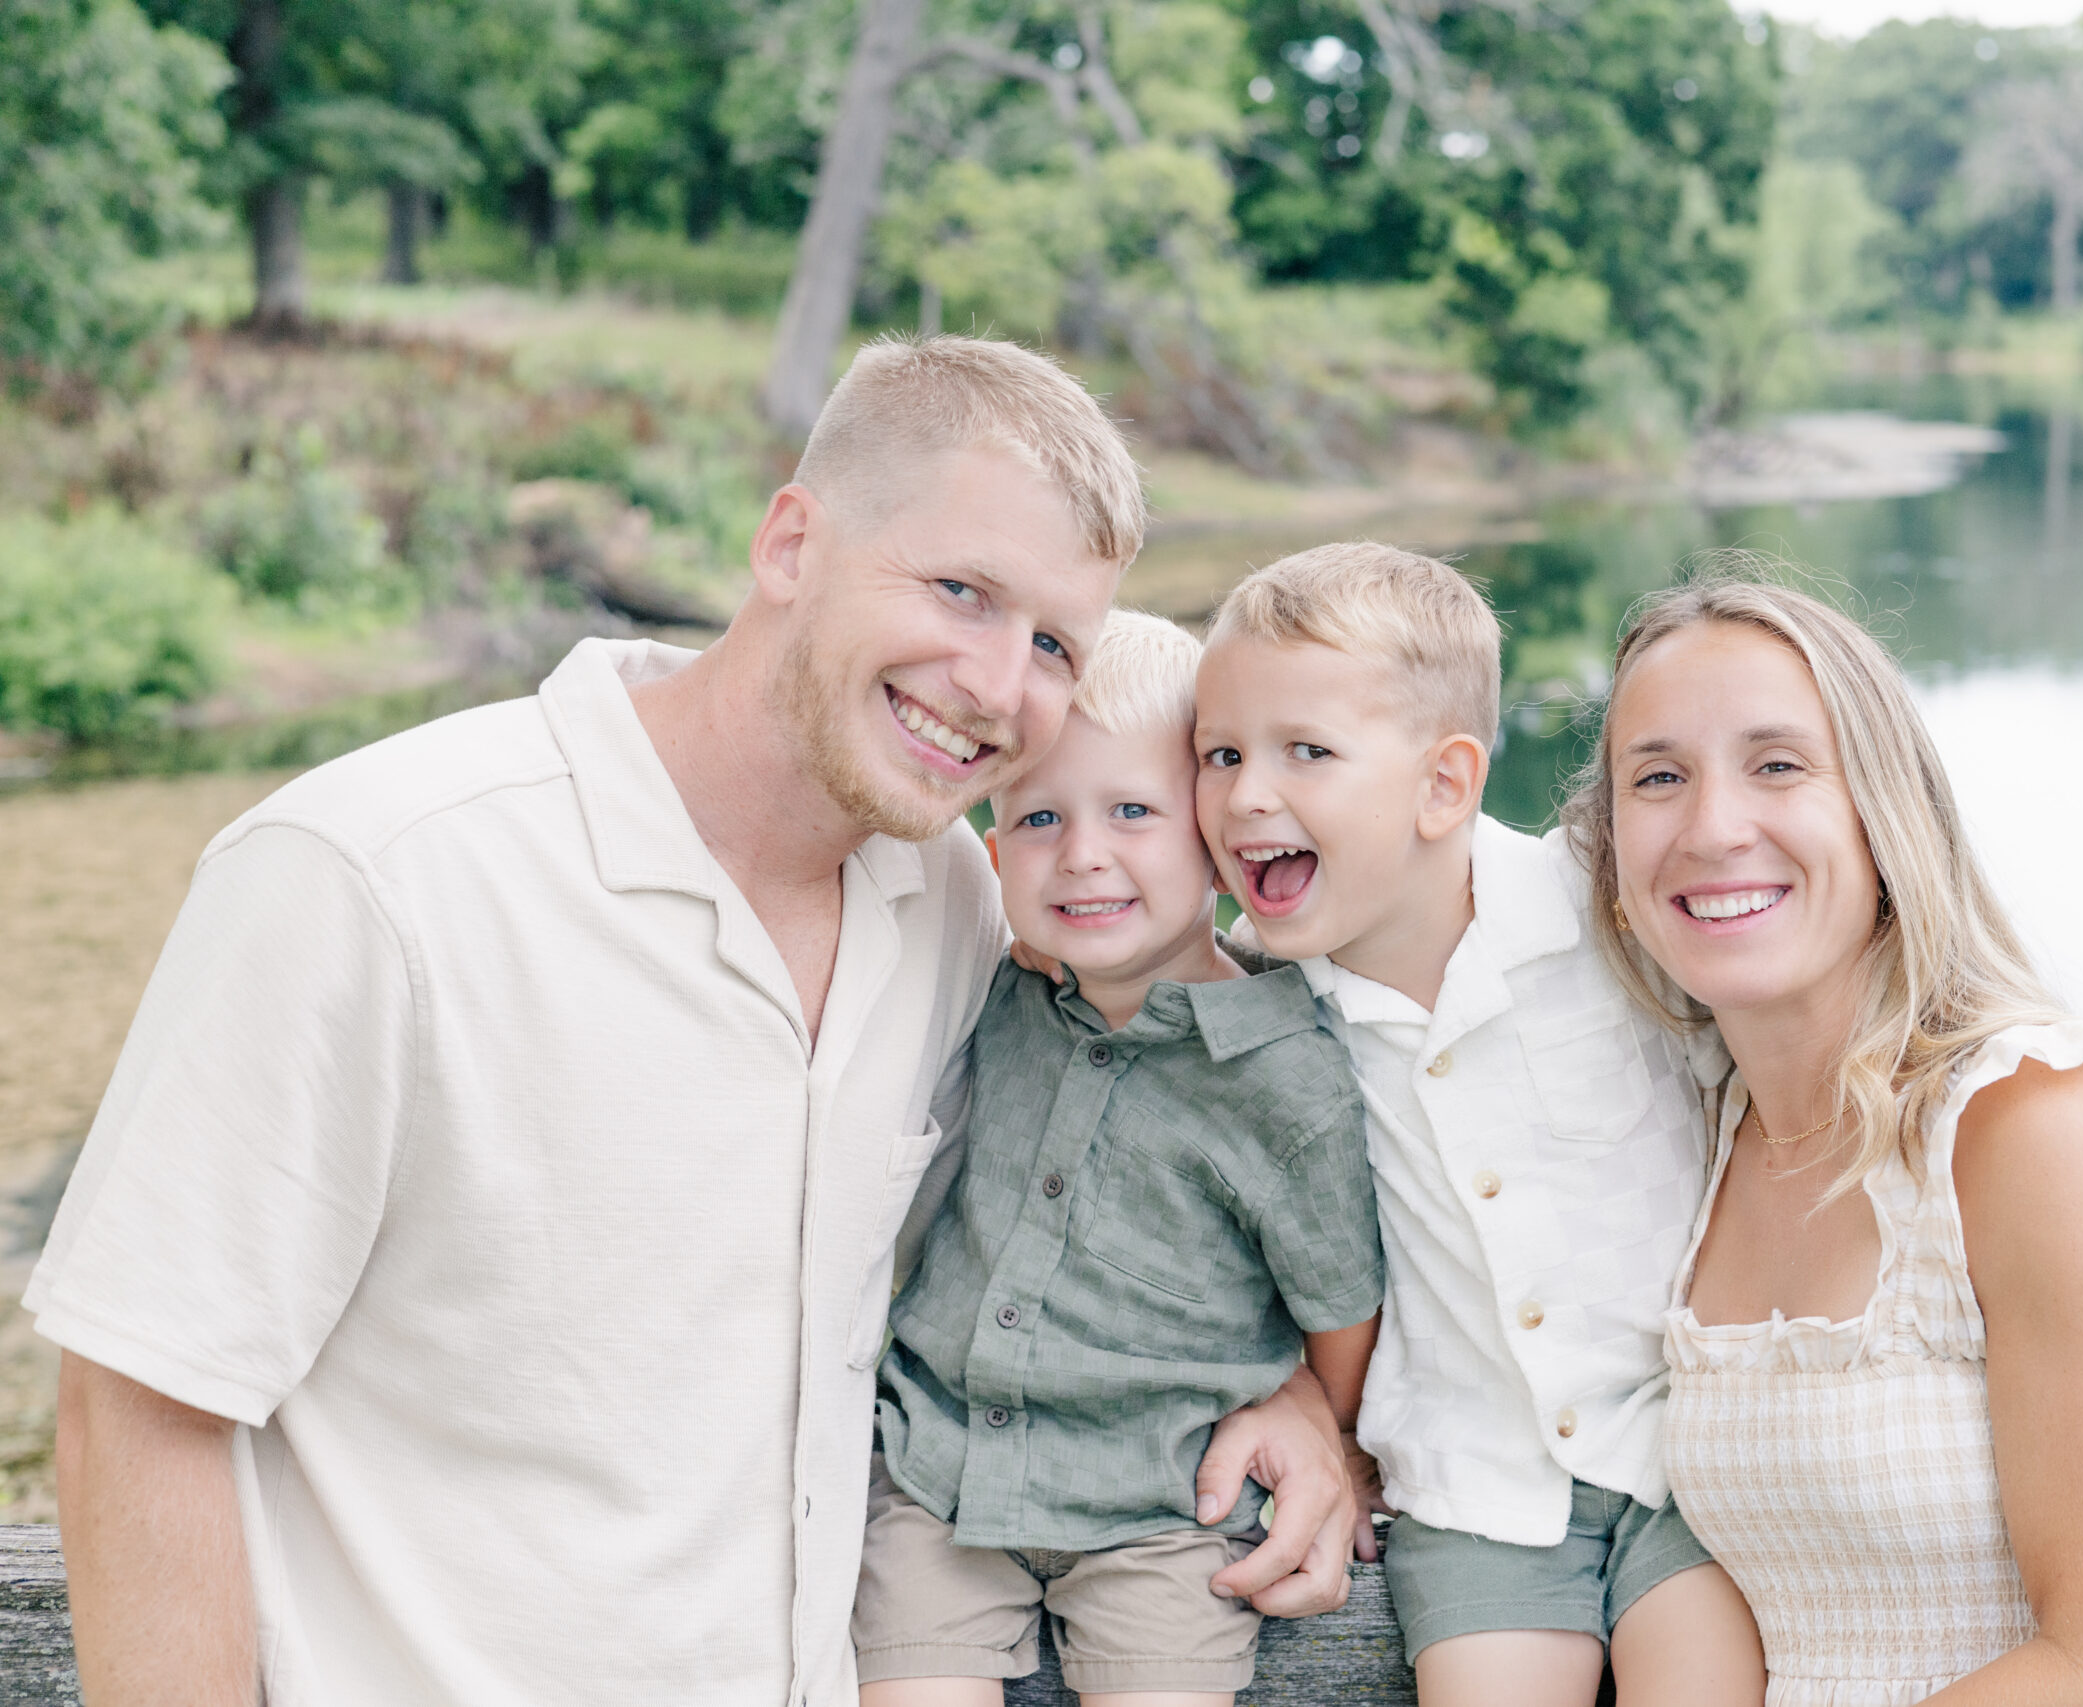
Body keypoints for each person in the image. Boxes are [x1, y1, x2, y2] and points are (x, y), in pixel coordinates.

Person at [30, 335, 1358, 1707]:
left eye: (1054, 645)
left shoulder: (961, 902)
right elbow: (141, 1402)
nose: (996, 683)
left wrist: (1293, 1397)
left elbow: (1110, 1166)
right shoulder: (374, 873)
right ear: (790, 544)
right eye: (962, 590)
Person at [1561, 572, 2083, 1705]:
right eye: (1658, 777)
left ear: (1884, 812)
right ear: (1609, 851)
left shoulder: (2032, 1125)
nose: (1713, 827)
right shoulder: (1699, 1130)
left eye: (1778, 765)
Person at [1189, 543, 1765, 1707]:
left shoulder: (1607, 913)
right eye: (1220, 754)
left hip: (1682, 1467)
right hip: (1473, 1494)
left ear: (1444, 786)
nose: (1246, 795)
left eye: (1306, 751)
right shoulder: (1252, 1010)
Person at [853, 609, 1384, 1707]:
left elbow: (1342, 1304)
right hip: (943, 1473)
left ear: (1218, 846)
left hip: (1165, 1507)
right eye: (1040, 818)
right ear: (994, 855)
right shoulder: (999, 998)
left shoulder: (1282, 1076)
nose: (1082, 854)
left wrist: (1328, 1431)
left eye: (1133, 811)